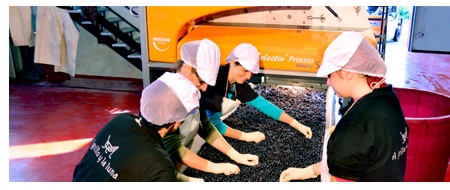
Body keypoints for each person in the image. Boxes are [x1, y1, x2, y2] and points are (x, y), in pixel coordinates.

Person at [72, 39, 219, 182]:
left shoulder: (121, 120)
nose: (204, 87)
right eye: (202, 81)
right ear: (177, 122)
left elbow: (82, 170)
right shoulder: (160, 168)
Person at [279, 31, 409, 182]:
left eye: (329, 75)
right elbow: (360, 160)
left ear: (347, 73)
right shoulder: (387, 99)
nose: (328, 82)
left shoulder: (354, 127)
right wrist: (310, 171)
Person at [162, 39, 259, 178]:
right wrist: (214, 168)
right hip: (158, 165)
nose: (205, 88)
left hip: (179, 161)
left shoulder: (194, 92)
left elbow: (205, 126)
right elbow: (173, 147)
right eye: (201, 82)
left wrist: (234, 154)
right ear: (187, 69)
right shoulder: (165, 95)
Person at [200, 43, 313, 143]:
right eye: (245, 70)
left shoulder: (238, 85)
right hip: (198, 131)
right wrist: (245, 136)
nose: (249, 76)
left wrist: (295, 124)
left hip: (213, 130)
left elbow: (264, 105)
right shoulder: (214, 82)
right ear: (233, 63)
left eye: (251, 72)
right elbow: (213, 123)